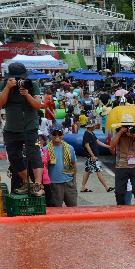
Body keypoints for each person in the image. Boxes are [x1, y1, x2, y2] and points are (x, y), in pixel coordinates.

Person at [0, 62, 45, 196]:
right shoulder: (4, 84)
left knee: (34, 154)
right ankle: (28, 183)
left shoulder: (32, 85)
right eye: (16, 78)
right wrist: (8, 87)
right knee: (14, 157)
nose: (19, 80)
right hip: (11, 129)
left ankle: (38, 184)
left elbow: (38, 106)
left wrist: (26, 94)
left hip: (30, 127)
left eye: (21, 78)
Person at [110, 114, 135, 206]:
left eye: (129, 125)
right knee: (119, 191)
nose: (128, 128)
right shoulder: (117, 132)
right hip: (121, 165)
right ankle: (121, 208)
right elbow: (112, 145)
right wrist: (120, 132)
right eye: (125, 126)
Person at [45, 127, 77, 207]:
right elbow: (44, 167)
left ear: (63, 135)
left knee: (73, 209)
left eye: (59, 134)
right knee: (55, 210)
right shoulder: (45, 149)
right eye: (54, 134)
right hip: (54, 184)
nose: (57, 136)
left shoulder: (69, 148)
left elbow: (73, 164)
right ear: (50, 135)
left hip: (69, 183)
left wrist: (74, 181)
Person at [81, 120, 113, 193]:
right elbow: (87, 145)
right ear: (90, 127)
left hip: (92, 156)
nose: (95, 127)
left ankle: (83, 187)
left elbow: (97, 141)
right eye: (94, 126)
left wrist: (108, 146)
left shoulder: (91, 133)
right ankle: (107, 187)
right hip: (92, 157)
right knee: (98, 170)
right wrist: (92, 155)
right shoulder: (87, 134)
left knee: (87, 171)